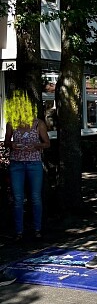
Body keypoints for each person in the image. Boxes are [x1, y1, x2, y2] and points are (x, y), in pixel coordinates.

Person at [4, 90, 51, 240]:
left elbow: (47, 143)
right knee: (18, 198)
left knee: (35, 197)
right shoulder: (12, 123)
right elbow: (6, 142)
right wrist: (12, 145)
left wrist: (36, 145)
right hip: (16, 163)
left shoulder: (38, 123)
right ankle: (19, 231)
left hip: (34, 163)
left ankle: (37, 229)